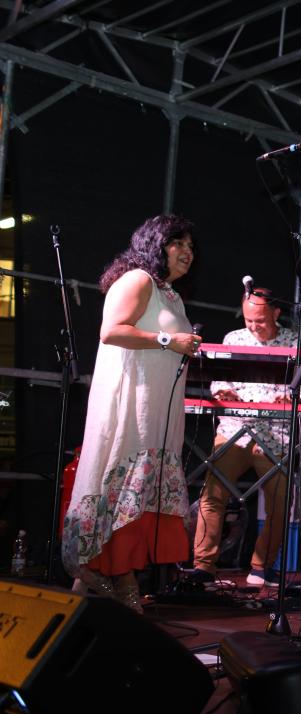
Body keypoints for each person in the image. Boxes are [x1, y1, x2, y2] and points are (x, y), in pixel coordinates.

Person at [62, 214, 202, 612]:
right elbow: (111, 331)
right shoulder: (138, 280)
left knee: (139, 499)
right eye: (178, 244)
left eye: (191, 247)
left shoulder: (171, 295)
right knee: (125, 493)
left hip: (159, 414)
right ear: (156, 244)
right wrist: (169, 339)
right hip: (131, 409)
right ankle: (120, 583)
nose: (187, 252)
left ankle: (90, 585)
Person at [192, 289, 301, 587]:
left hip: (276, 435)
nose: (253, 326)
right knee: (212, 496)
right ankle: (203, 566)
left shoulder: (298, 342)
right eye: (249, 320)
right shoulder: (234, 338)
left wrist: (292, 396)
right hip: (233, 430)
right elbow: (218, 378)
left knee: (281, 503)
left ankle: (261, 567)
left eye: (260, 320)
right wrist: (222, 391)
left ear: (276, 313)